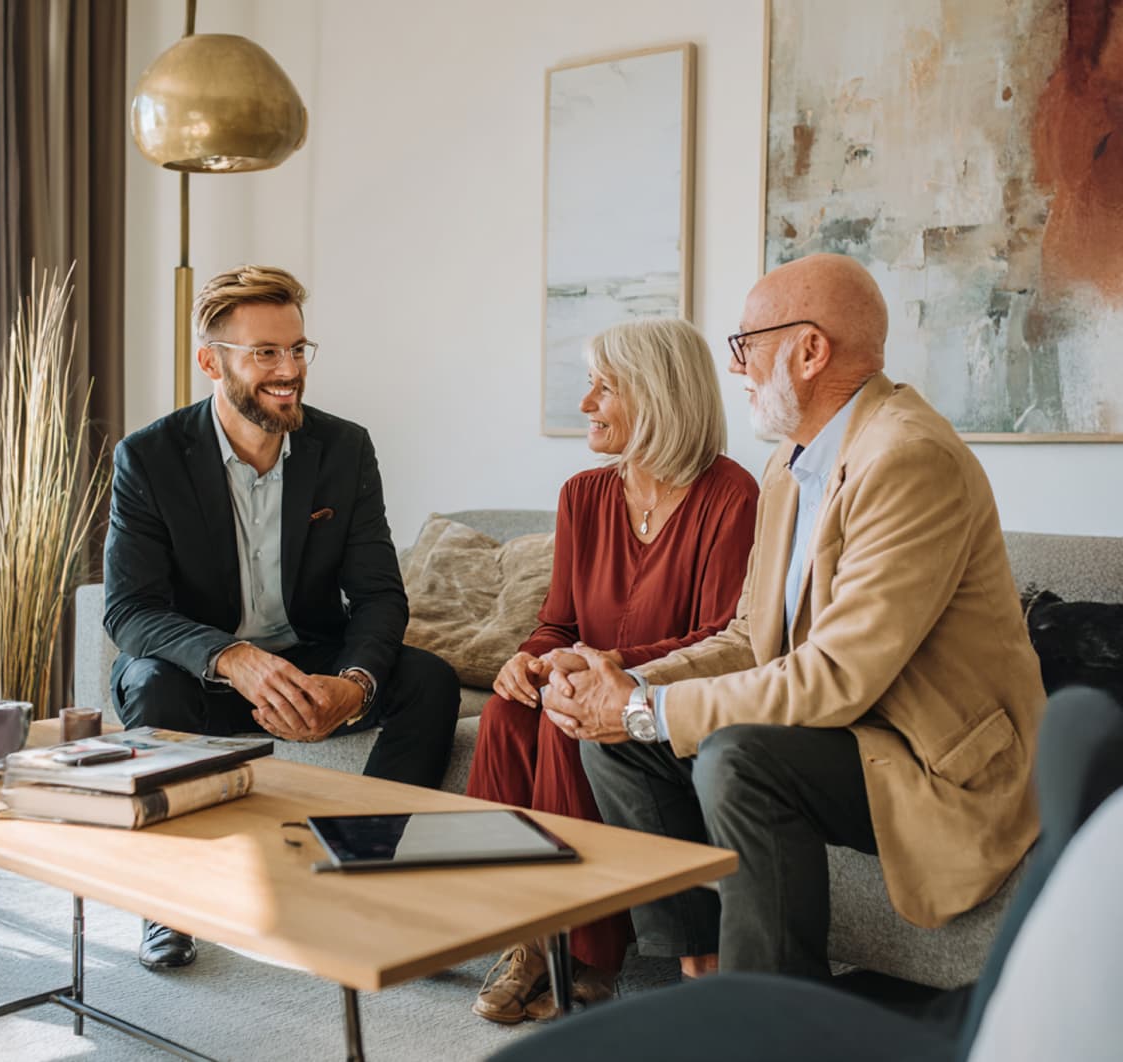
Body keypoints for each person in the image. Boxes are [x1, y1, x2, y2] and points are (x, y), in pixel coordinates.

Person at [542, 253, 1045, 981]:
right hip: (849, 733)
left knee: (738, 757)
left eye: (747, 343)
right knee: (615, 742)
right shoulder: (791, 464)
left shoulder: (907, 459)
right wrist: (620, 684)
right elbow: (751, 638)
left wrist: (648, 707)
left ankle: (778, 1023)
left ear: (809, 351)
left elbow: (837, 676)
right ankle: (703, 968)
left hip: (925, 759)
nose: (737, 365)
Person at [103, 265, 458, 970]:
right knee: (150, 683)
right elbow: (129, 608)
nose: (289, 369)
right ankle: (167, 903)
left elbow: (380, 594)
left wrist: (353, 683)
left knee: (429, 680)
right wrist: (231, 658)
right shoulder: (148, 457)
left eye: (297, 350)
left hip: (307, 664)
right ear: (211, 360)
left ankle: (367, 876)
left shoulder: (344, 448)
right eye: (266, 352)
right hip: (200, 676)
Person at [466, 317, 759, 1024]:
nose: (586, 404)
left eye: (604, 387)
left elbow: (724, 638)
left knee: (572, 720)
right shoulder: (582, 496)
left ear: (657, 396)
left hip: (663, 707)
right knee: (507, 711)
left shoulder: (733, 496)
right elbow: (558, 622)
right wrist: (529, 661)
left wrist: (606, 670)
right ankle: (529, 933)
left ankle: (584, 950)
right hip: (582, 682)